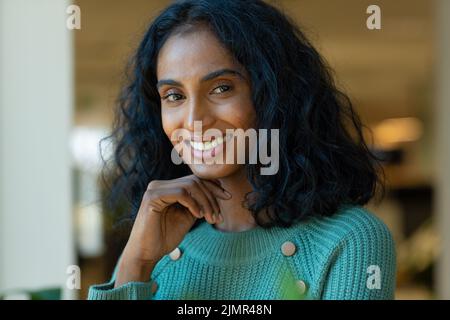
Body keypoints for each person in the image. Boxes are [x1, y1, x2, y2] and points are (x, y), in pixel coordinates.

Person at [88, 0, 396, 300]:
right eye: (174, 95)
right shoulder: (153, 251)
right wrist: (136, 264)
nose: (194, 120)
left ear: (274, 93)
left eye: (221, 88)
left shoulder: (349, 240)